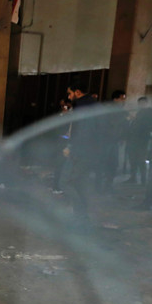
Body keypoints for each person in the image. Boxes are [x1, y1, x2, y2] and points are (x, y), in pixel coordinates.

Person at [63, 79, 100, 219]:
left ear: (77, 92)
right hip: (91, 150)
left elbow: (81, 129)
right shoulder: (94, 104)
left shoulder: (81, 105)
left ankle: (80, 214)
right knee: (79, 182)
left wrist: (71, 147)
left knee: (66, 181)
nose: (68, 96)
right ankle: (80, 212)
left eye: (70, 93)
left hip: (81, 150)